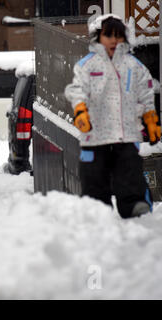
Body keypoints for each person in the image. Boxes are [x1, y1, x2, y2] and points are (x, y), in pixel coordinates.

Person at [65, 14, 159, 218]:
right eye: (109, 35)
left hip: (126, 132)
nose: (114, 40)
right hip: (95, 133)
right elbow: (77, 90)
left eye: (119, 36)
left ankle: (134, 206)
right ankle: (97, 211)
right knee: (94, 176)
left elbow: (145, 93)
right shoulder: (87, 65)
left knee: (130, 172)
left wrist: (150, 119)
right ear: (98, 38)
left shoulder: (134, 66)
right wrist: (80, 110)